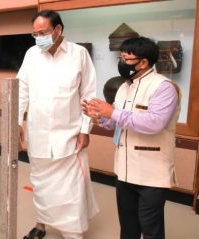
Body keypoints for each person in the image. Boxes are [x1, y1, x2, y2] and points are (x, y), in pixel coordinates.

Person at [82, 36, 181, 239]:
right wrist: (100, 116)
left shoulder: (164, 87)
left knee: (150, 228)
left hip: (152, 173)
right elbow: (118, 124)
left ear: (143, 62)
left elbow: (154, 123)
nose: (121, 63)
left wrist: (112, 113)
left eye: (126, 59)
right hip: (125, 170)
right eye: (121, 57)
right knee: (128, 226)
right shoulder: (124, 87)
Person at [18, 10, 99, 239]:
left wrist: (85, 129)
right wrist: (17, 122)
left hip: (69, 135)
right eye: (34, 34)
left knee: (71, 189)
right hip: (39, 134)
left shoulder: (79, 54)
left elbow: (88, 95)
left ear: (58, 30)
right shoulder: (31, 55)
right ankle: (41, 224)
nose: (38, 38)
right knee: (41, 185)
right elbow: (22, 91)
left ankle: (72, 232)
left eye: (42, 33)